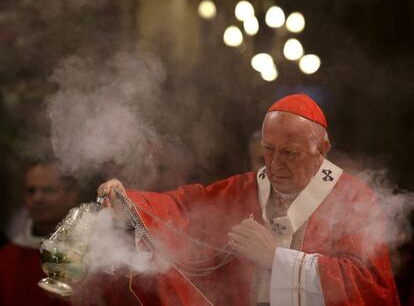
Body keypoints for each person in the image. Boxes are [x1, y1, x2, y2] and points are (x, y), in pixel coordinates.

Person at [98, 93, 400, 305]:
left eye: (290, 153)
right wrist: (131, 202)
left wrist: (277, 259)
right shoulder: (245, 190)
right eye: (269, 150)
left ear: (322, 149)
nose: (274, 164)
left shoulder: (352, 199)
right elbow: (187, 207)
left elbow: (370, 286)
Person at [0, 159, 79, 305]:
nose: (37, 198)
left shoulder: (88, 256)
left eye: (48, 190)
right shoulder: (8, 256)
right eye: (31, 191)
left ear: (71, 196)